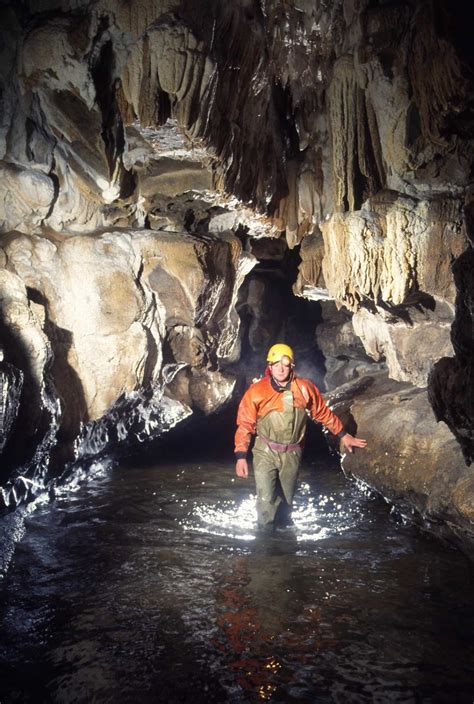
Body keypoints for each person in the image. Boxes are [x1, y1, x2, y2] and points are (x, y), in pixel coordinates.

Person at [234, 343, 367, 530]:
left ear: (291, 366)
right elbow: (245, 424)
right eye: (276, 364)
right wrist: (241, 456)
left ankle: (285, 546)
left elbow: (322, 413)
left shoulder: (304, 388)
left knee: (286, 504)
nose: (280, 368)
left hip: (293, 452)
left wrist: (344, 435)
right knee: (266, 501)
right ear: (269, 367)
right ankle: (264, 546)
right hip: (265, 451)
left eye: (285, 363)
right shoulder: (257, 391)